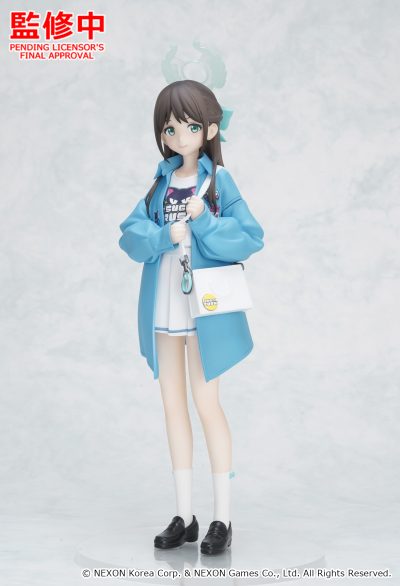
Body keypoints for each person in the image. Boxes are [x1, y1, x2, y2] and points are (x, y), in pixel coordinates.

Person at [119, 80, 264, 554]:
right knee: (172, 405)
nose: (180, 136)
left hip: (205, 308)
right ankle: (184, 514)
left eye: (190, 126)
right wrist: (164, 235)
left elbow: (249, 237)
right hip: (165, 299)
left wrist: (204, 221)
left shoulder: (218, 182)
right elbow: (131, 234)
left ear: (210, 130)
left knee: (206, 405)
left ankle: (223, 517)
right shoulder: (160, 182)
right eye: (170, 128)